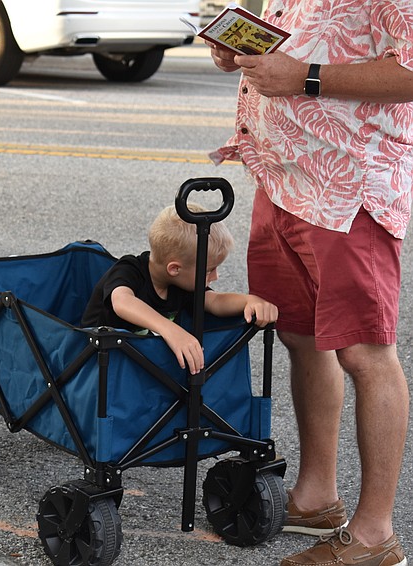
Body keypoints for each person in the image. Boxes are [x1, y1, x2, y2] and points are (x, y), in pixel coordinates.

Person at [206, 2, 413, 565]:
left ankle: (374, 536)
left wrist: (304, 77)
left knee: (367, 354)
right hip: (282, 180)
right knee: (300, 337)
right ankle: (318, 496)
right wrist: (242, 56)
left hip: (349, 191)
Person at [81, 204, 277, 374]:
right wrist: (171, 330)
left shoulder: (182, 283)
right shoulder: (129, 270)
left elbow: (215, 301)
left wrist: (251, 301)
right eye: (209, 270)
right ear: (174, 269)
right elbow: (122, 302)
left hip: (138, 369)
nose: (216, 277)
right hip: (95, 365)